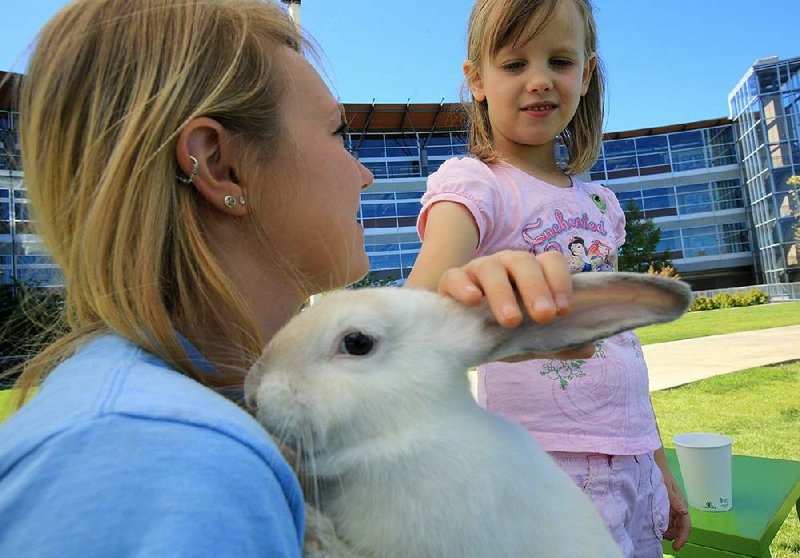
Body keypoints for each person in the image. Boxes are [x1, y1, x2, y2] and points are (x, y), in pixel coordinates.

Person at [0, 0, 588, 555]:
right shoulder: (161, 460)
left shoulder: (217, 404)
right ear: (221, 165)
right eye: (337, 134)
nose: (364, 176)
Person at [406, 0, 691, 555]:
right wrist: (471, 302)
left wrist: (658, 464)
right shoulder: (476, 186)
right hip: (546, 464)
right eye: (514, 64)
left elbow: (622, 350)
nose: (539, 81)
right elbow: (417, 312)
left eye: (559, 61)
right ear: (477, 81)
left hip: (632, 459)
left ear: (585, 75)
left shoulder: (602, 205)